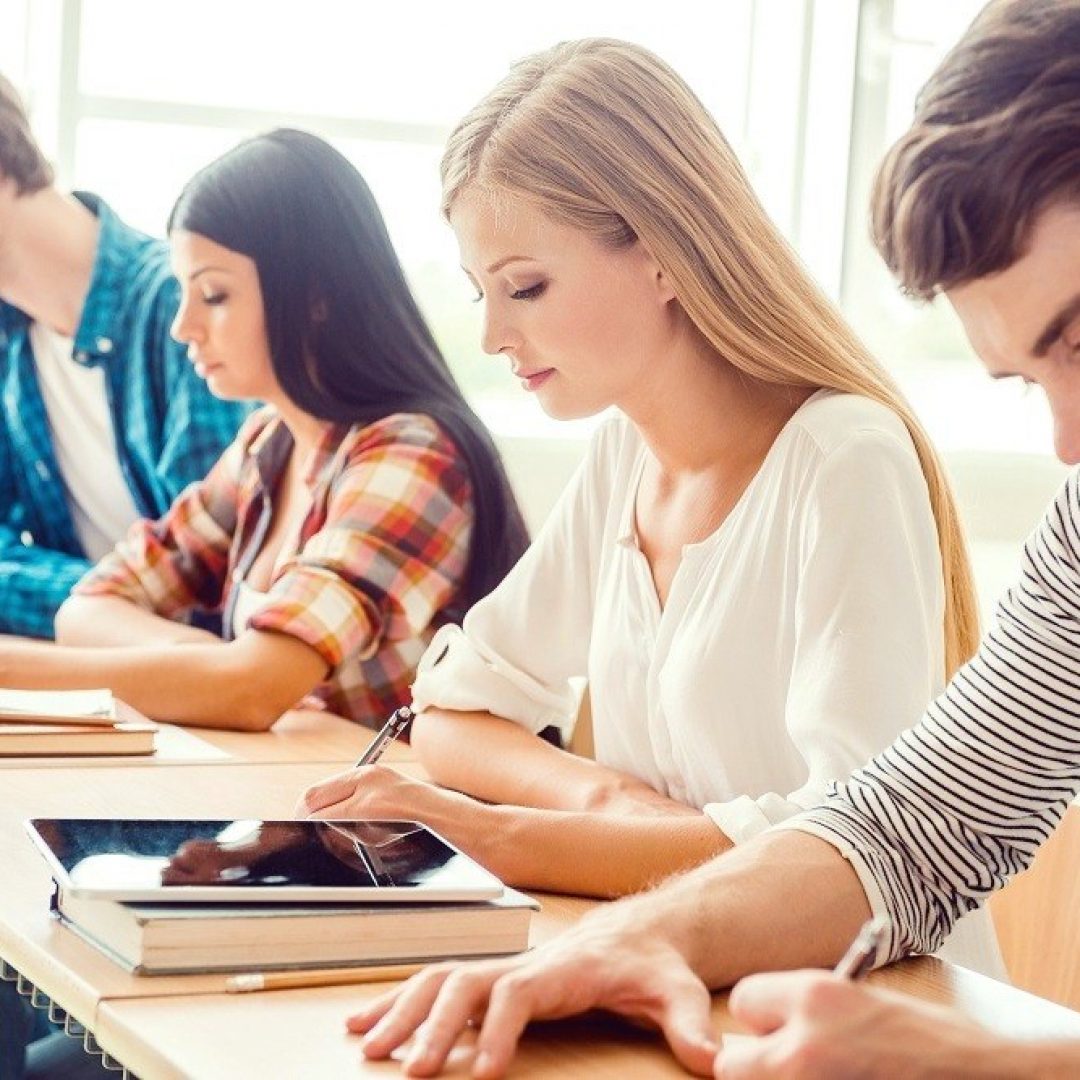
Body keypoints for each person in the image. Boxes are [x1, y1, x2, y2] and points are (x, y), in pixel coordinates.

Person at [341, 3, 1080, 1077]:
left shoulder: (839, 454)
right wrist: (618, 941)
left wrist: (987, 1057)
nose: (1068, 445)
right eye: (1033, 380)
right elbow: (917, 826)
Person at [0, 128, 528, 731]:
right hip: (289, 798)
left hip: (402, 819)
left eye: (214, 295)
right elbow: (86, 609)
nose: (184, 327)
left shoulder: (412, 455)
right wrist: (219, 666)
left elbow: (251, 691)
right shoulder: (266, 446)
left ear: (313, 298)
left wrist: (12, 671)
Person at [0, 73, 249, 640]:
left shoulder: (185, 311)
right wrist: (105, 609)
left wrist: (100, 612)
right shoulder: (9, 343)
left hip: (211, 690)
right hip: (109, 681)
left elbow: (221, 575)